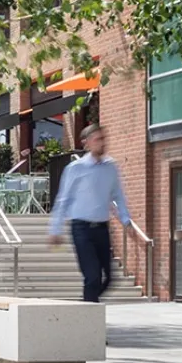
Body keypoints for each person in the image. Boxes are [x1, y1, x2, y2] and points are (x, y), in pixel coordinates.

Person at [49, 124, 135, 302]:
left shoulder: (110, 167)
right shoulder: (75, 168)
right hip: (82, 229)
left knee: (110, 278)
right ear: (86, 143)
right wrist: (55, 230)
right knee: (93, 276)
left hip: (102, 229)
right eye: (98, 139)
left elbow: (118, 195)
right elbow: (63, 199)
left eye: (103, 139)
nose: (102, 143)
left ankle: (87, 304)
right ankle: (88, 312)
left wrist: (126, 221)